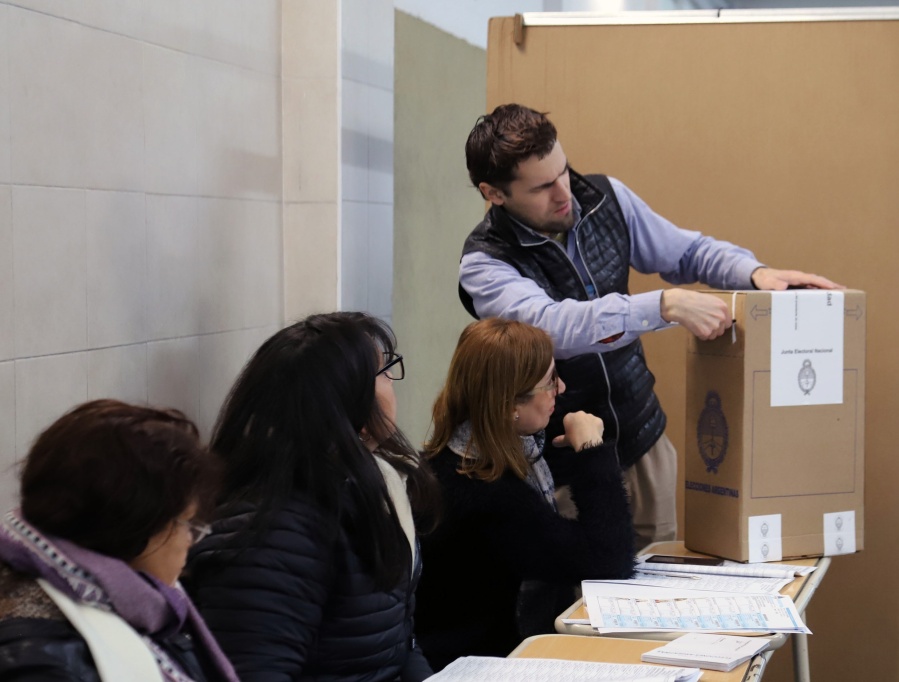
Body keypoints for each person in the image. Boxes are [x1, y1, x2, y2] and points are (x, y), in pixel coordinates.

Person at [458, 103, 843, 549]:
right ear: (494, 193)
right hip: (560, 458)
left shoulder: (605, 197)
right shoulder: (485, 261)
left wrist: (755, 273)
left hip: (642, 441)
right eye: (542, 187)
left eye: (563, 171)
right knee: (573, 597)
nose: (564, 192)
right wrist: (664, 306)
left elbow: (685, 252)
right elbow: (551, 329)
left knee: (654, 589)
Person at [184, 312, 439, 682]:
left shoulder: (374, 482)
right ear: (347, 399)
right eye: (382, 372)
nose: (391, 383)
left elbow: (399, 645)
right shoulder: (276, 528)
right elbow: (256, 670)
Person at [414, 318, 634, 670]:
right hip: (478, 664)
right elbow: (608, 560)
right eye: (549, 382)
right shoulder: (487, 496)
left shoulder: (460, 453)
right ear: (509, 405)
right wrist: (592, 450)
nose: (561, 388)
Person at [0, 399, 238, 682]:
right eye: (186, 524)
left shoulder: (143, 604)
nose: (191, 540)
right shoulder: (40, 661)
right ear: (134, 527)